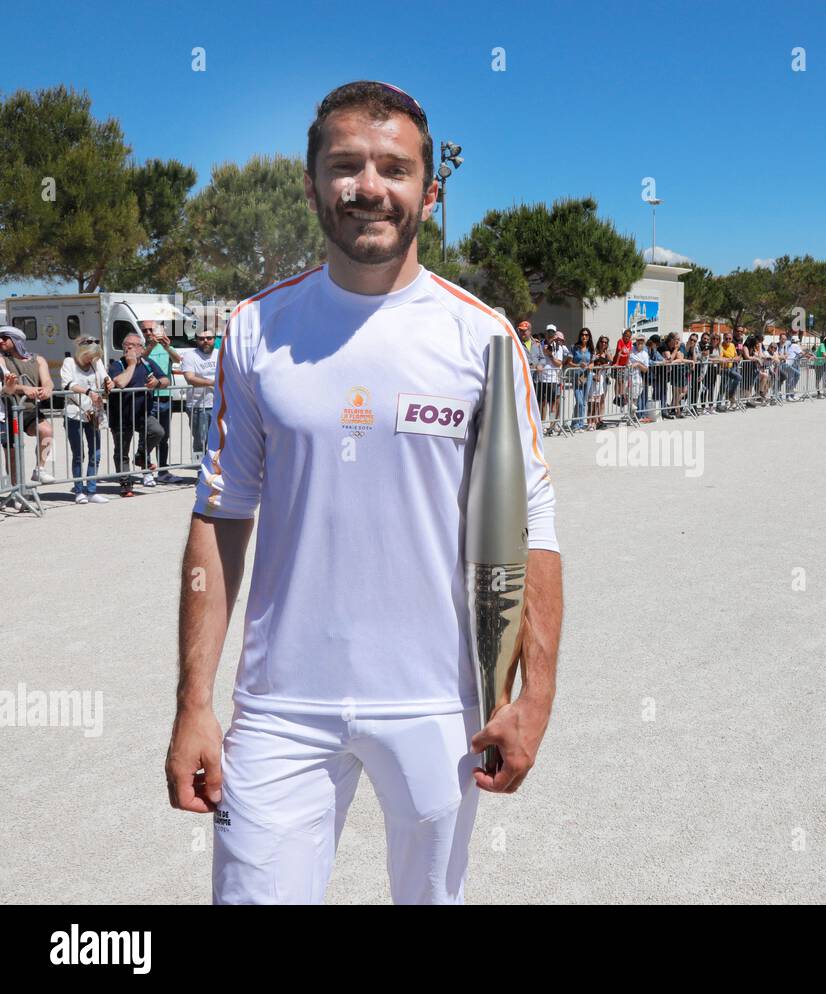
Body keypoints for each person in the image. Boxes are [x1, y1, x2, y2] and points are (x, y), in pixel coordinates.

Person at [165, 80, 564, 907]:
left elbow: (534, 526)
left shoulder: (482, 339)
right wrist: (194, 704)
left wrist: (534, 697)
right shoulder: (256, 331)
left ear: (429, 189)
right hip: (280, 707)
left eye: (395, 167)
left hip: (438, 702)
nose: (369, 187)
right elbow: (220, 517)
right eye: (345, 165)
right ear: (312, 184)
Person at [106, 332, 168, 497]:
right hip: (121, 416)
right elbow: (120, 383)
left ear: (141, 348)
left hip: (143, 413)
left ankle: (141, 455)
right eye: (127, 345)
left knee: (157, 431)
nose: (129, 348)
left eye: (134, 345)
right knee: (122, 451)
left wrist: (158, 383)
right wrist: (132, 365)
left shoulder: (148, 363)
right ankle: (125, 483)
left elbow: (165, 379)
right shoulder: (117, 365)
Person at [0, 325, 56, 486]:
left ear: (16, 340)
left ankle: (40, 469)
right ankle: (16, 489)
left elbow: (47, 380)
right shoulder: (2, 359)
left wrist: (48, 389)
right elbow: (5, 386)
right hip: (9, 412)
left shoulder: (37, 359)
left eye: (5, 337)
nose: (0, 341)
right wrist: (25, 388)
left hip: (30, 410)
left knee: (47, 432)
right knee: (12, 454)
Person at [59, 339, 110, 504]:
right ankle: (79, 490)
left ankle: (92, 490)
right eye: (91, 356)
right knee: (78, 454)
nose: (93, 359)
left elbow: (105, 378)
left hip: (93, 413)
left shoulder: (96, 362)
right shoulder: (69, 362)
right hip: (74, 414)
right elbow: (67, 385)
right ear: (83, 352)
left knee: (96, 453)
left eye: (95, 356)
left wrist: (109, 382)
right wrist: (88, 392)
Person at [142, 323, 185, 484]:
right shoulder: (141, 346)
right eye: (144, 330)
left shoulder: (166, 346)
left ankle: (163, 471)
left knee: (164, 437)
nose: (147, 333)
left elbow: (178, 360)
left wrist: (167, 347)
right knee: (148, 436)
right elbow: (140, 360)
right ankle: (146, 471)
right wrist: (150, 346)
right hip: (148, 397)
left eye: (150, 330)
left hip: (165, 396)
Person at [179, 329, 220, 463]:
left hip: (219, 405)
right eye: (202, 339)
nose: (206, 341)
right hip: (198, 406)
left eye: (209, 338)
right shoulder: (190, 356)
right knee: (200, 442)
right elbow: (190, 378)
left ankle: (217, 470)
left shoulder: (220, 354)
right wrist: (212, 383)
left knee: (220, 440)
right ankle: (199, 470)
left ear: (214, 339)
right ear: (196, 340)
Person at [567, 328, 593, 431]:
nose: (584, 336)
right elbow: (569, 362)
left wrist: (591, 365)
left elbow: (593, 361)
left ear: (589, 337)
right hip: (576, 377)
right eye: (582, 334)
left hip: (588, 376)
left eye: (586, 335)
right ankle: (576, 423)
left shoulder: (591, 348)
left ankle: (579, 424)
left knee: (583, 401)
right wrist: (578, 365)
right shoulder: (574, 347)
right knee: (579, 401)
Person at [587, 335, 610, 429]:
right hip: (595, 377)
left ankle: (599, 420)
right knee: (592, 400)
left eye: (605, 342)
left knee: (602, 400)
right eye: (602, 341)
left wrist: (607, 361)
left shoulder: (607, 353)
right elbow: (591, 363)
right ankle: (592, 421)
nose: (603, 343)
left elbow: (611, 363)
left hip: (604, 378)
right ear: (599, 342)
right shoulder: (594, 352)